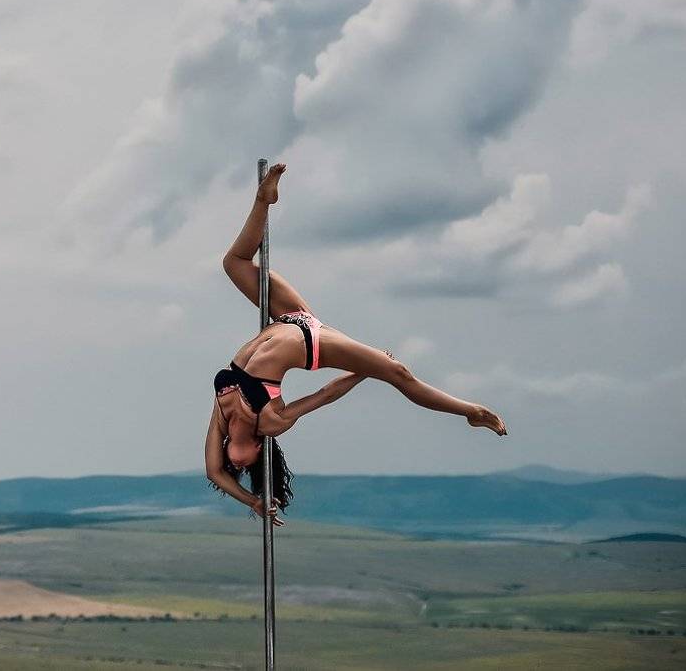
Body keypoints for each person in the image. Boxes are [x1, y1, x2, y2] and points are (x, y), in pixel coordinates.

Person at [205, 163, 507, 524]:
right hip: (311, 341)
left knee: (233, 262)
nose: (235, 466)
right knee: (397, 372)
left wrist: (247, 499)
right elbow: (324, 396)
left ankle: (263, 200)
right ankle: (471, 411)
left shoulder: (222, 417)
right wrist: (360, 373)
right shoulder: (270, 424)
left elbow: (213, 472)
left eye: (233, 465)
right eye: (245, 468)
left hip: (286, 316)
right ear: (258, 451)